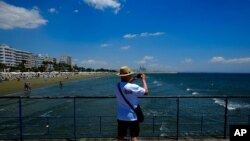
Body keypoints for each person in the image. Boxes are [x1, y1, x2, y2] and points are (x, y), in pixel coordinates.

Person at [114, 66, 149, 141]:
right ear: (127, 75)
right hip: (132, 116)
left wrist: (132, 79)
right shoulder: (133, 87)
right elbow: (146, 92)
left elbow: (125, 86)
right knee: (133, 136)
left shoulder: (116, 86)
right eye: (130, 75)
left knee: (121, 137)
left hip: (121, 116)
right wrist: (143, 79)